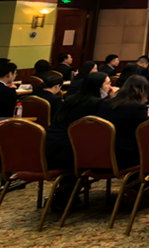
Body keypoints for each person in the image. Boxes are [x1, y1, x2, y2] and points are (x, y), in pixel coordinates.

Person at [45, 72, 112, 209]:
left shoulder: (71, 99)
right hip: (70, 152)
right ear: (98, 87)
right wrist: (113, 99)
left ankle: (64, 197)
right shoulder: (98, 103)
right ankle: (64, 197)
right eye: (108, 84)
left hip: (49, 146)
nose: (110, 87)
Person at [97, 75, 148, 169]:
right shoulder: (138, 107)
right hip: (126, 156)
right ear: (142, 91)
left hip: (102, 152)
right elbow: (144, 131)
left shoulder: (105, 103)